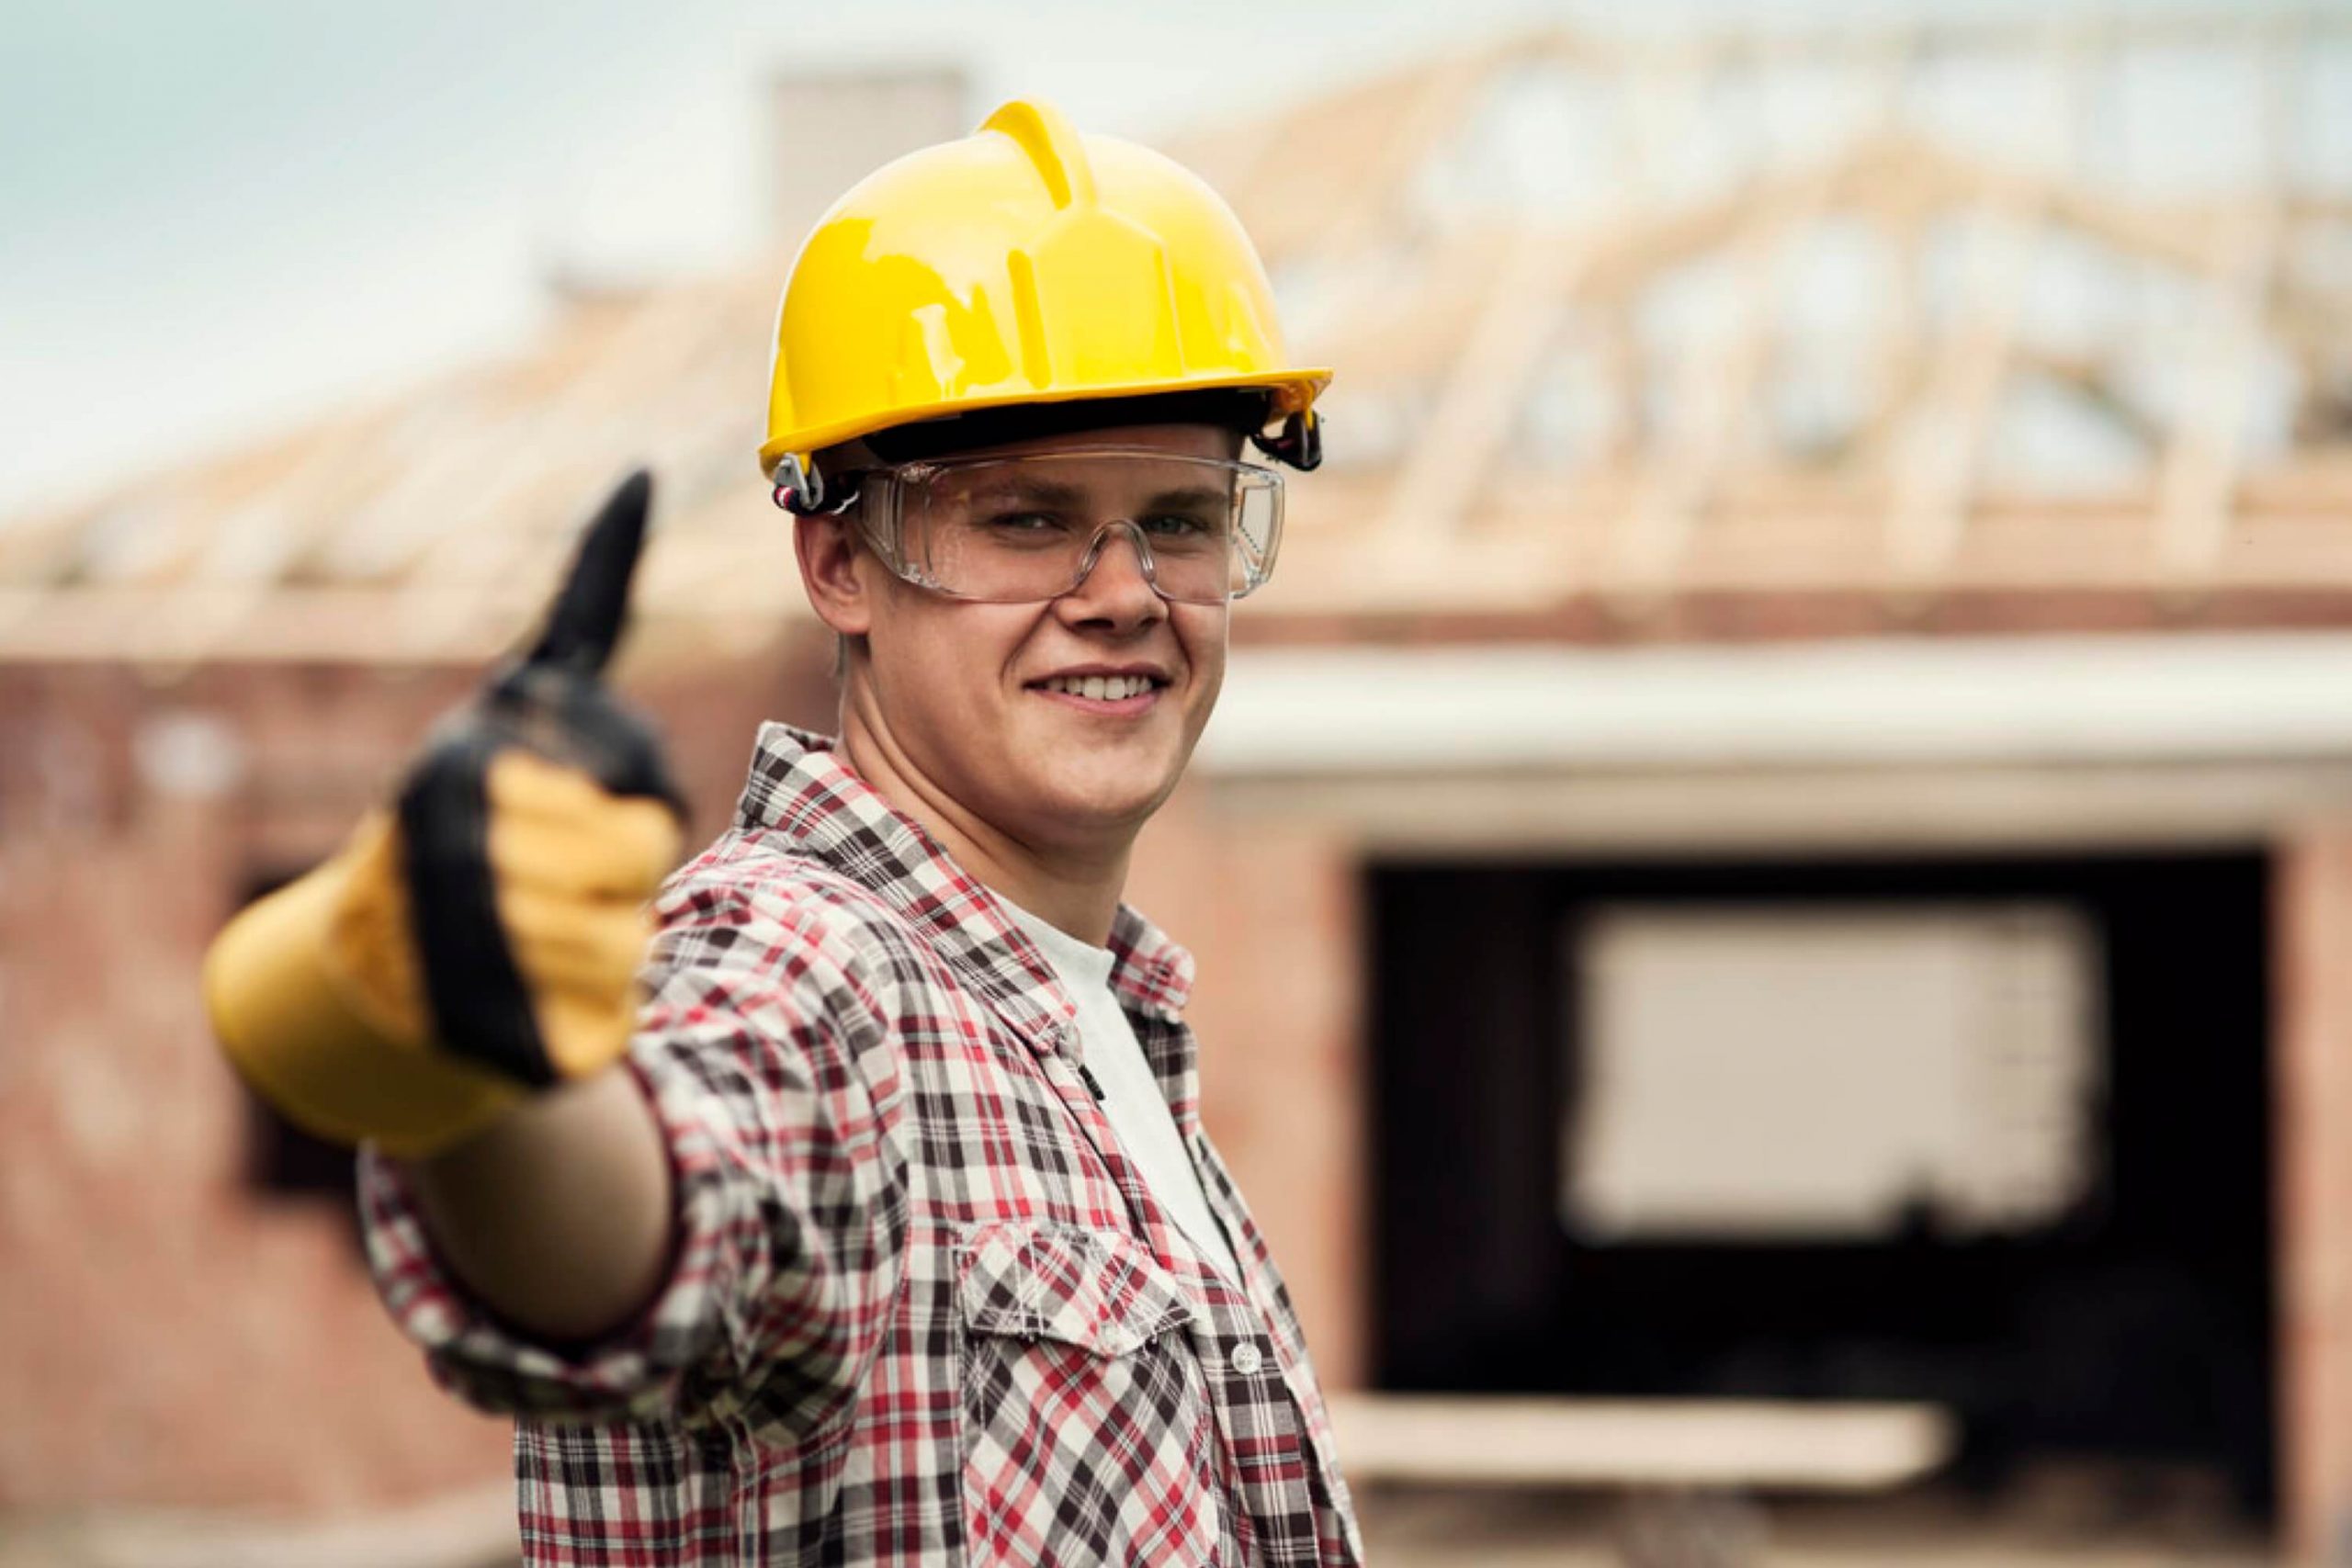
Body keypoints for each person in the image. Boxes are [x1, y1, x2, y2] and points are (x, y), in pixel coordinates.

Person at [202, 98, 1361, 1565]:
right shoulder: (810, 971)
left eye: (1183, 521)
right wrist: (481, 1068)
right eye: (1024, 518)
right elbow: (657, 1229)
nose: (1124, 588)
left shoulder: (1100, 1032)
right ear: (838, 562)